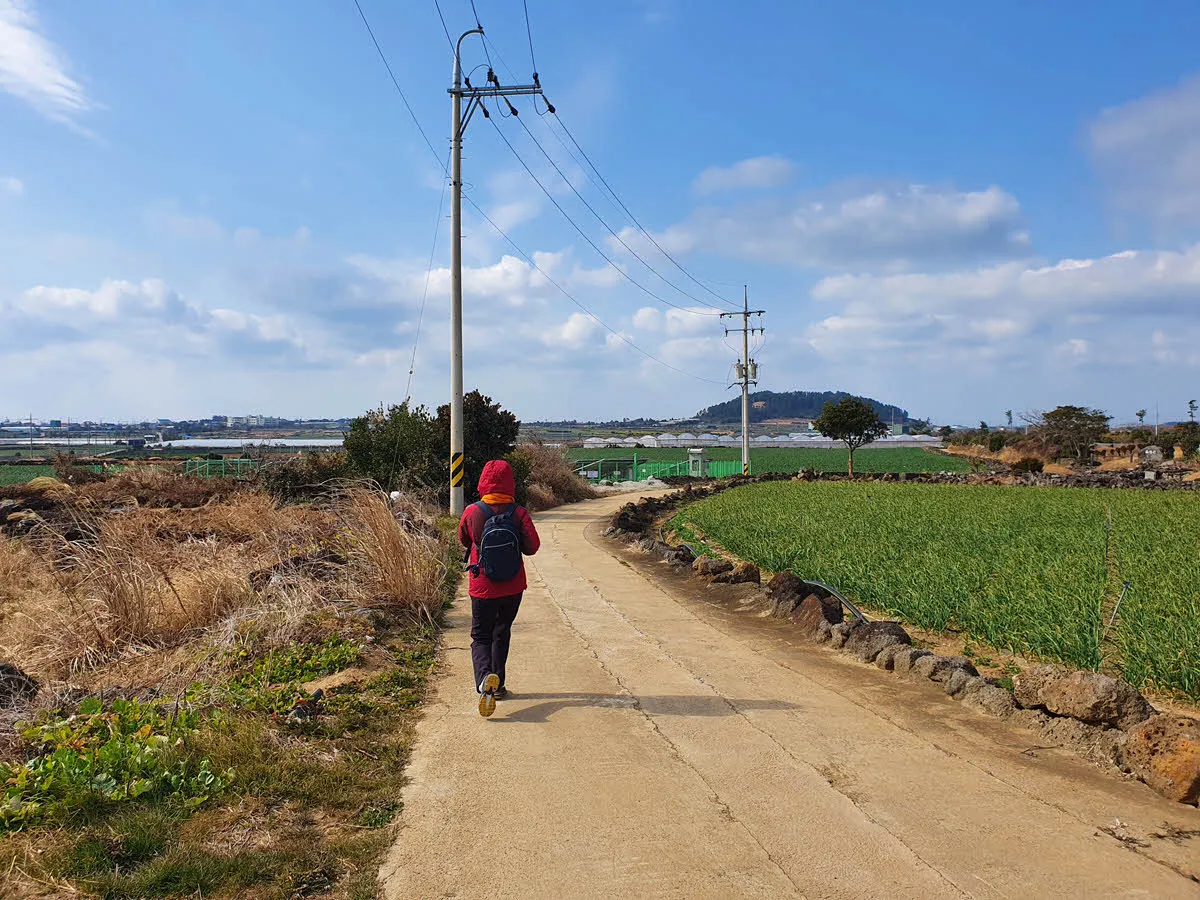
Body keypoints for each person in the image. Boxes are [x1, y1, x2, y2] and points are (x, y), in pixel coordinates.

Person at [458, 459, 540, 717]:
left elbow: (463, 538)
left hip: (482, 585)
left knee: (481, 635)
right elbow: (532, 547)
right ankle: (499, 684)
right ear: (510, 483)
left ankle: (484, 680)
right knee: (501, 632)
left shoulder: (473, 511)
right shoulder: (519, 513)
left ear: (483, 482)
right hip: (513, 584)